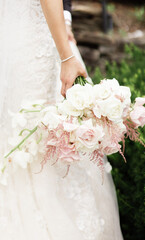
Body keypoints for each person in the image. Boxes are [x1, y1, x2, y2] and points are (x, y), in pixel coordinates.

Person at [0, 0, 123, 239]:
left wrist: (64, 20)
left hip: (12, 36)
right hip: (36, 43)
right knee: (43, 141)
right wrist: (66, 56)